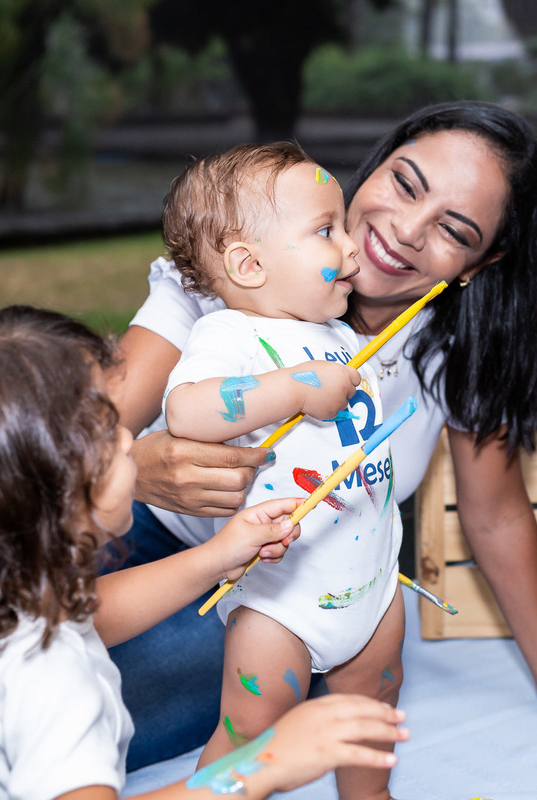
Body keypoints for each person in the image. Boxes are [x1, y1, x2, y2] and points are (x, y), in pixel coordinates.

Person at [104, 100, 537, 767]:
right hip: (130, 536)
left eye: (454, 230)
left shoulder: (453, 350)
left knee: (92, 725)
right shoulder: (232, 274)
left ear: (477, 263)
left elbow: (496, 520)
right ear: (372, 167)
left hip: (272, 598)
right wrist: (136, 470)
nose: (406, 229)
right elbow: (74, 440)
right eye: (406, 183)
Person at [0, 305, 409, 800]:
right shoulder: (52, 684)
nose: (130, 437)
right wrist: (264, 764)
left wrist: (217, 557)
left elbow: (86, 610)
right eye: (104, 432)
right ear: (42, 502)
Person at [159, 142, 404, 800]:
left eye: (345, 226)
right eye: (327, 230)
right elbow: (187, 410)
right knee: (247, 736)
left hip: (370, 584)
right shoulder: (229, 335)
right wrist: (295, 387)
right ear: (248, 264)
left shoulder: (344, 337)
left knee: (372, 717)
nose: (352, 248)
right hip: (279, 602)